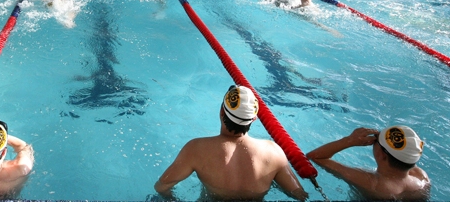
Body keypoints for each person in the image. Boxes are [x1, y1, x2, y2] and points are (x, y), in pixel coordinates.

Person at [154, 85, 307, 200]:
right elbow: (299, 195)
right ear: (254, 118)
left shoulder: (196, 149)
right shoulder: (273, 152)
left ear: (222, 111)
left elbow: (162, 187)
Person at [307, 126, 430, 200]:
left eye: (376, 140)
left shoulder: (371, 183)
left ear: (382, 155)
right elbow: (405, 153)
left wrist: (349, 141)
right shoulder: (421, 177)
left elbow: (315, 157)